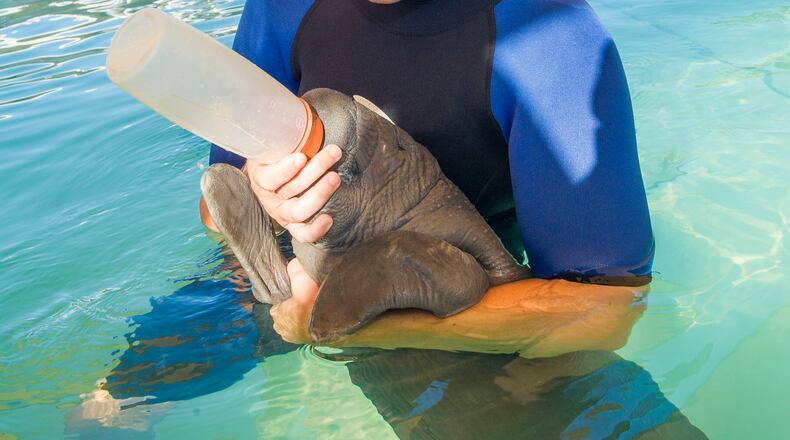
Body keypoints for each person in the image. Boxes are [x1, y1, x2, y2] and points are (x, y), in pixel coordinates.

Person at [200, 0, 655, 347]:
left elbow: (605, 309)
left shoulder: (548, 36)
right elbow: (214, 206)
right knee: (131, 402)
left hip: (467, 295)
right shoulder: (283, 8)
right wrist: (266, 192)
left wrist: (351, 325)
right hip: (284, 275)